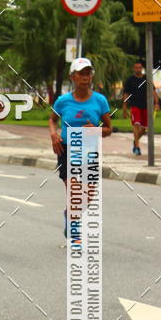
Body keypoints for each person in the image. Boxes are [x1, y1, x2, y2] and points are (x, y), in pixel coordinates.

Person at [49, 57, 112, 236]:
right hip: (67, 149)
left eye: (88, 74)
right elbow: (52, 120)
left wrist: (97, 130)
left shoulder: (100, 101)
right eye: (81, 74)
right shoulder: (63, 101)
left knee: (87, 196)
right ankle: (73, 224)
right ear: (72, 77)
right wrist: (53, 134)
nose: (85, 77)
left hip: (89, 152)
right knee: (75, 191)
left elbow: (109, 129)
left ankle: (69, 214)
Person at [122, 60, 159, 156]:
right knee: (136, 124)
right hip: (135, 105)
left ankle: (135, 141)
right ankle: (137, 147)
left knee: (144, 129)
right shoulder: (130, 80)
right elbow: (126, 94)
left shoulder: (147, 78)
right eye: (136, 67)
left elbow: (153, 91)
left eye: (139, 67)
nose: (138, 69)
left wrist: (156, 103)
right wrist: (124, 108)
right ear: (133, 69)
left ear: (142, 68)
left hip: (146, 106)